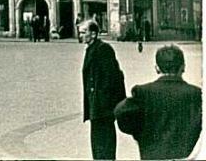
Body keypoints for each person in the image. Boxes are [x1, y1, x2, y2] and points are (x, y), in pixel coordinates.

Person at [115, 45, 201, 160]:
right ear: (183, 67)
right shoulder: (197, 94)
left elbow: (121, 113)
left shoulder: (143, 92)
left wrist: (139, 134)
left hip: (152, 155)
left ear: (157, 68)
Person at [81, 20, 126, 160]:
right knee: (98, 142)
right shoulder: (92, 48)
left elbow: (112, 77)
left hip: (103, 107)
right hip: (97, 105)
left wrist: (104, 101)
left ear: (93, 34)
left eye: (84, 32)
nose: (80, 35)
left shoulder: (103, 49)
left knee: (104, 143)